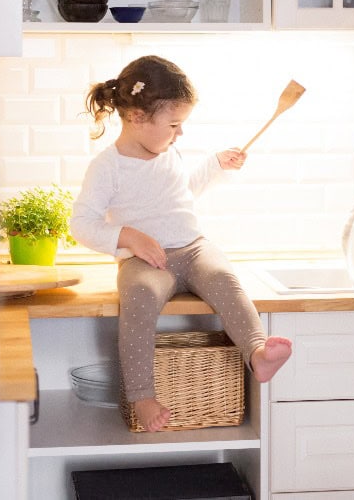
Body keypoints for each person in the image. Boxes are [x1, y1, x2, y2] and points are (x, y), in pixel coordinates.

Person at [69, 55, 292, 432]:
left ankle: (257, 352)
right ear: (137, 116)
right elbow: (81, 224)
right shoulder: (108, 166)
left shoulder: (168, 150)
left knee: (224, 276)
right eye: (174, 124)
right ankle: (141, 395)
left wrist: (216, 165)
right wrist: (127, 236)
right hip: (145, 261)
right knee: (138, 298)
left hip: (192, 247)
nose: (180, 133)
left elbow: (182, 192)